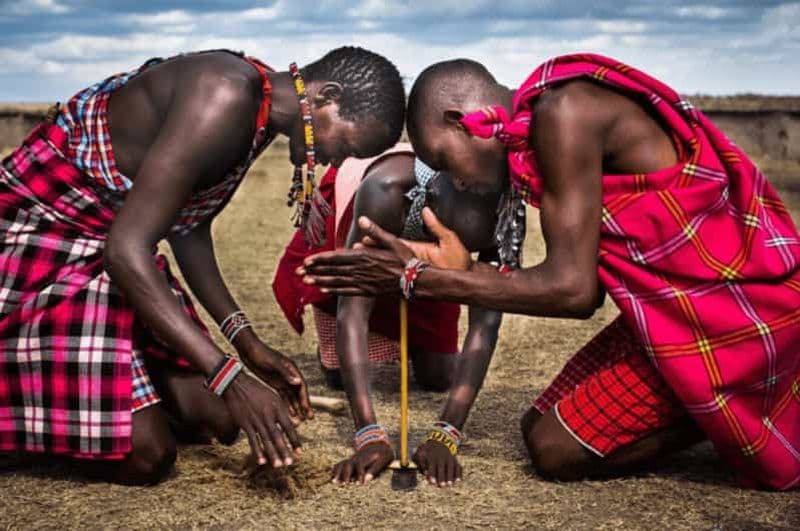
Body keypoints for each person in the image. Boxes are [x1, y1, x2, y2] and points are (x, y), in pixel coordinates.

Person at [300, 54, 800, 491]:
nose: (457, 183)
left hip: (734, 312)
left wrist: (418, 278)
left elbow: (574, 292)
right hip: (679, 308)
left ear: (460, 122)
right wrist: (460, 270)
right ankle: (718, 397)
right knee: (536, 421)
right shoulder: (537, 132)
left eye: (447, 162)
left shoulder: (563, 114)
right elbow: (577, 284)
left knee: (553, 449)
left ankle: (734, 402)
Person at [0, 46, 405, 485]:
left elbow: (189, 228)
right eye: (345, 144)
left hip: (109, 257)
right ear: (328, 96)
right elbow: (125, 250)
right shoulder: (225, 95)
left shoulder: (263, 111)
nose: (336, 161)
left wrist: (248, 346)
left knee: (219, 422)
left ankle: (109, 394)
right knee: (148, 456)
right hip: (41, 246)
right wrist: (230, 377)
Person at [274, 145, 466, 392]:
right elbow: (351, 290)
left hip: (429, 255)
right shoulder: (381, 190)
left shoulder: (475, 189)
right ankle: (361, 343)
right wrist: (365, 419)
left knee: (439, 378)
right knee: (342, 376)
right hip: (366, 204)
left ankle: (410, 342)